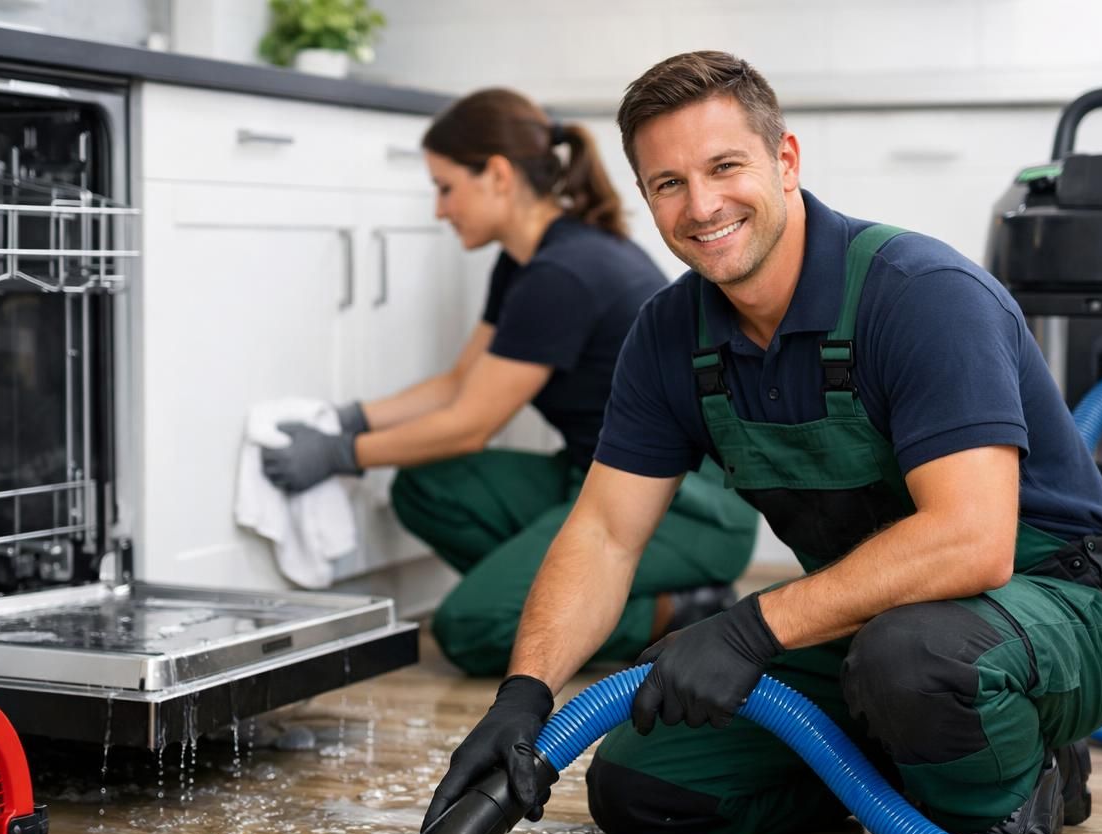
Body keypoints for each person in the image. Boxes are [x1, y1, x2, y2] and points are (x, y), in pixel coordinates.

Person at [421, 52, 1102, 834]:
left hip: (1055, 603)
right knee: (643, 786)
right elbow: (603, 535)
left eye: (724, 167)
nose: (701, 206)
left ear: (786, 161)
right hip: (871, 622)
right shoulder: (670, 337)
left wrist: (750, 626)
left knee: (915, 662)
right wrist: (524, 696)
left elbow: (973, 539)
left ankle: (1016, 779)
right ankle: (926, 756)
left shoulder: (919, 295)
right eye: (668, 184)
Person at [261, 87, 759, 677]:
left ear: (496, 175)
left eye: (445, 188)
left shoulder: (563, 273)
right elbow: (459, 384)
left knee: (472, 627)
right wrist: (352, 417)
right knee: (425, 488)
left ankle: (673, 611)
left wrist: (341, 454)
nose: (440, 209)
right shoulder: (527, 261)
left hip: (690, 506)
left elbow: (471, 424)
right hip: (598, 478)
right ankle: (559, 596)